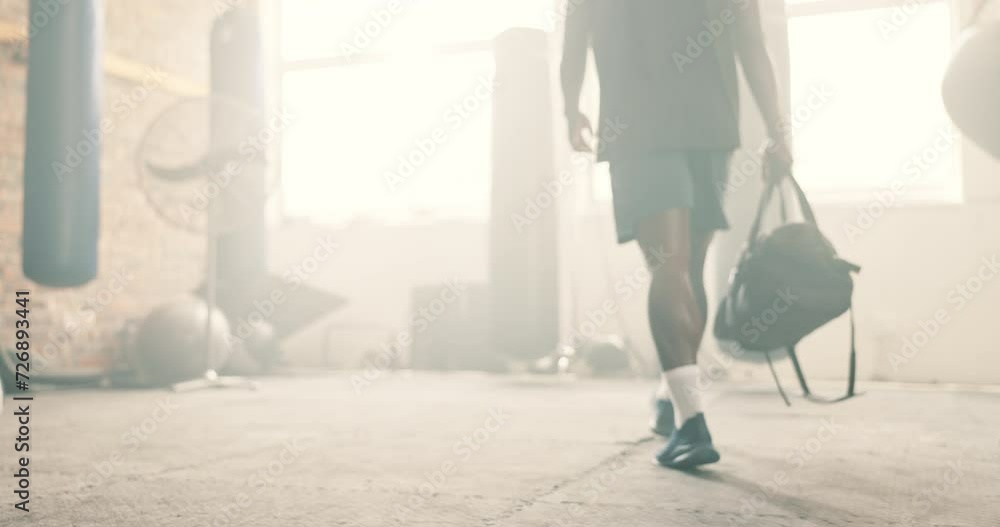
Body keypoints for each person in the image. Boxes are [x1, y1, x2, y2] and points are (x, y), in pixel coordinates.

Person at [560, 0, 793, 469]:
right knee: (686, 267)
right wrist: (777, 130)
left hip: (640, 126)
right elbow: (751, 40)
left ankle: (690, 422)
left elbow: (575, 35)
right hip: (710, 125)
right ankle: (673, 397)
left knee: (671, 266)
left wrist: (571, 108)